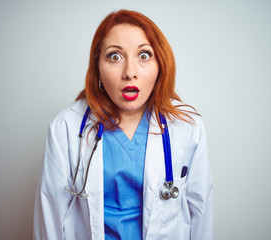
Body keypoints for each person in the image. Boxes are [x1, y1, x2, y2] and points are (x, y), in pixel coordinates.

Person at [33, 9, 213, 240]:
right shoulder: (66, 126)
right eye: (114, 56)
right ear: (97, 66)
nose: (130, 72)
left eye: (144, 55)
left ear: (161, 65)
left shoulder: (188, 127)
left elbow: (201, 211)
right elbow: (50, 215)